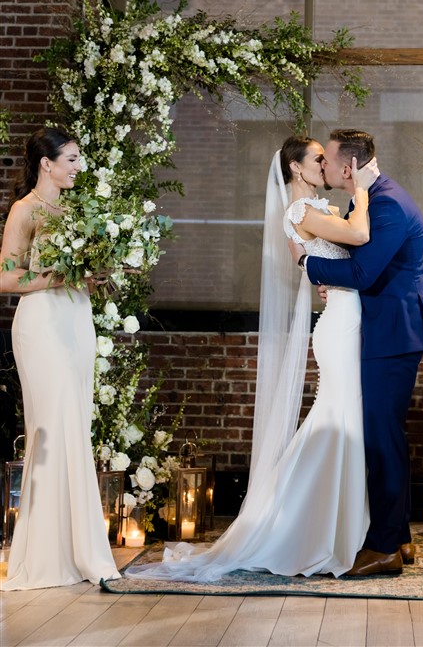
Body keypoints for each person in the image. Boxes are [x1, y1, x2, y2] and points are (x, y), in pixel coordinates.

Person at [127, 135, 377, 581]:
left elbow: (324, 258)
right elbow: (359, 235)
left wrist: (319, 266)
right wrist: (362, 187)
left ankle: (326, 523)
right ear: (296, 169)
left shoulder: (318, 210)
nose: (326, 164)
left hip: (345, 317)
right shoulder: (302, 211)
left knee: (341, 421)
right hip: (339, 327)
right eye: (318, 159)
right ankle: (291, 522)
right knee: (335, 419)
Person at [295, 129, 423, 577]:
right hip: (384, 330)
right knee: (385, 435)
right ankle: (397, 537)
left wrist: (305, 262)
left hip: (393, 333)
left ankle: (383, 547)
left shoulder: (388, 203)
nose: (325, 170)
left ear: (347, 167)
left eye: (329, 162)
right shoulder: (374, 197)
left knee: (382, 437)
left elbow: (361, 271)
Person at [0, 127, 120, 591]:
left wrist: (96, 275)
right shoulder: (25, 210)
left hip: (75, 322)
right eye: (70, 159)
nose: (77, 166)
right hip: (42, 327)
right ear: (46, 163)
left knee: (75, 428)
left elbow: (75, 275)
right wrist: (59, 276)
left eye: (78, 158)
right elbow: (6, 280)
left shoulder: (75, 212)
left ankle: (79, 549)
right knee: (49, 430)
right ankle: (45, 554)